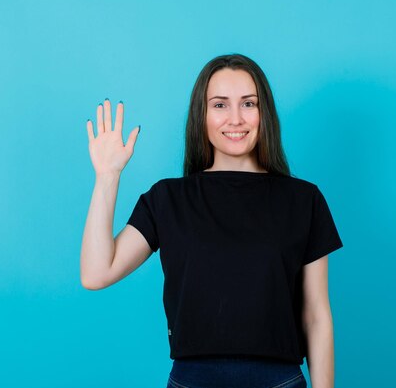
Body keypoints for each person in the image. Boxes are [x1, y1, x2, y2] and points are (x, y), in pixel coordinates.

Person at [81, 53, 343, 388]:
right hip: (193, 380)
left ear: (265, 114)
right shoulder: (167, 199)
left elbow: (317, 315)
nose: (236, 118)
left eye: (249, 103)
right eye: (220, 105)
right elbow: (96, 273)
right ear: (201, 116)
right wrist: (107, 177)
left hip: (279, 380)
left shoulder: (304, 200)